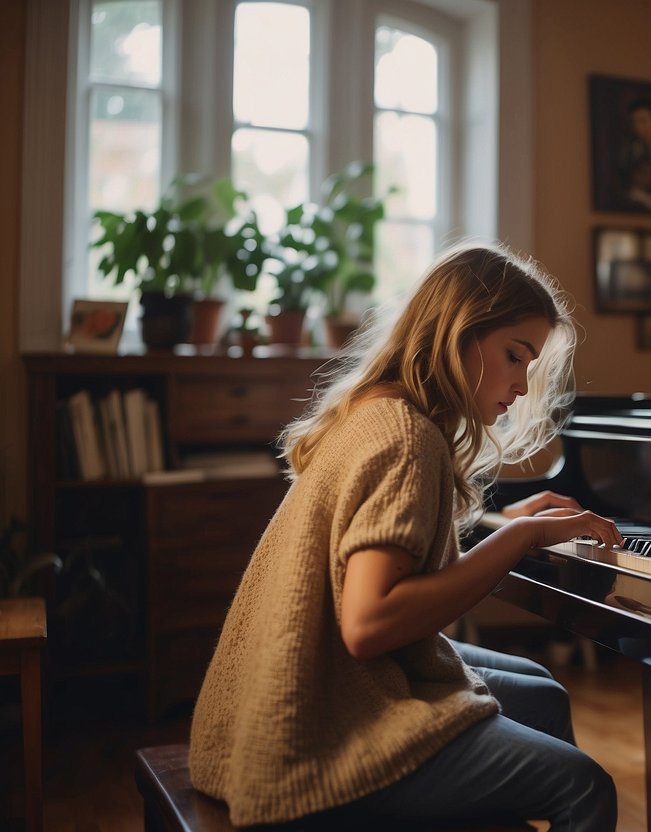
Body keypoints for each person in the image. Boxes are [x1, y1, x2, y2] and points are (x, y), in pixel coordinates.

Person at [189, 243, 623, 831]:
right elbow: (370, 624)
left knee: (544, 694)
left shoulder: (378, 409)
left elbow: (398, 557)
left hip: (271, 698)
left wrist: (505, 526)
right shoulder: (407, 436)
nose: (523, 385)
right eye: (514, 356)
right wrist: (518, 537)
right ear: (460, 334)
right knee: (584, 787)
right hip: (304, 734)